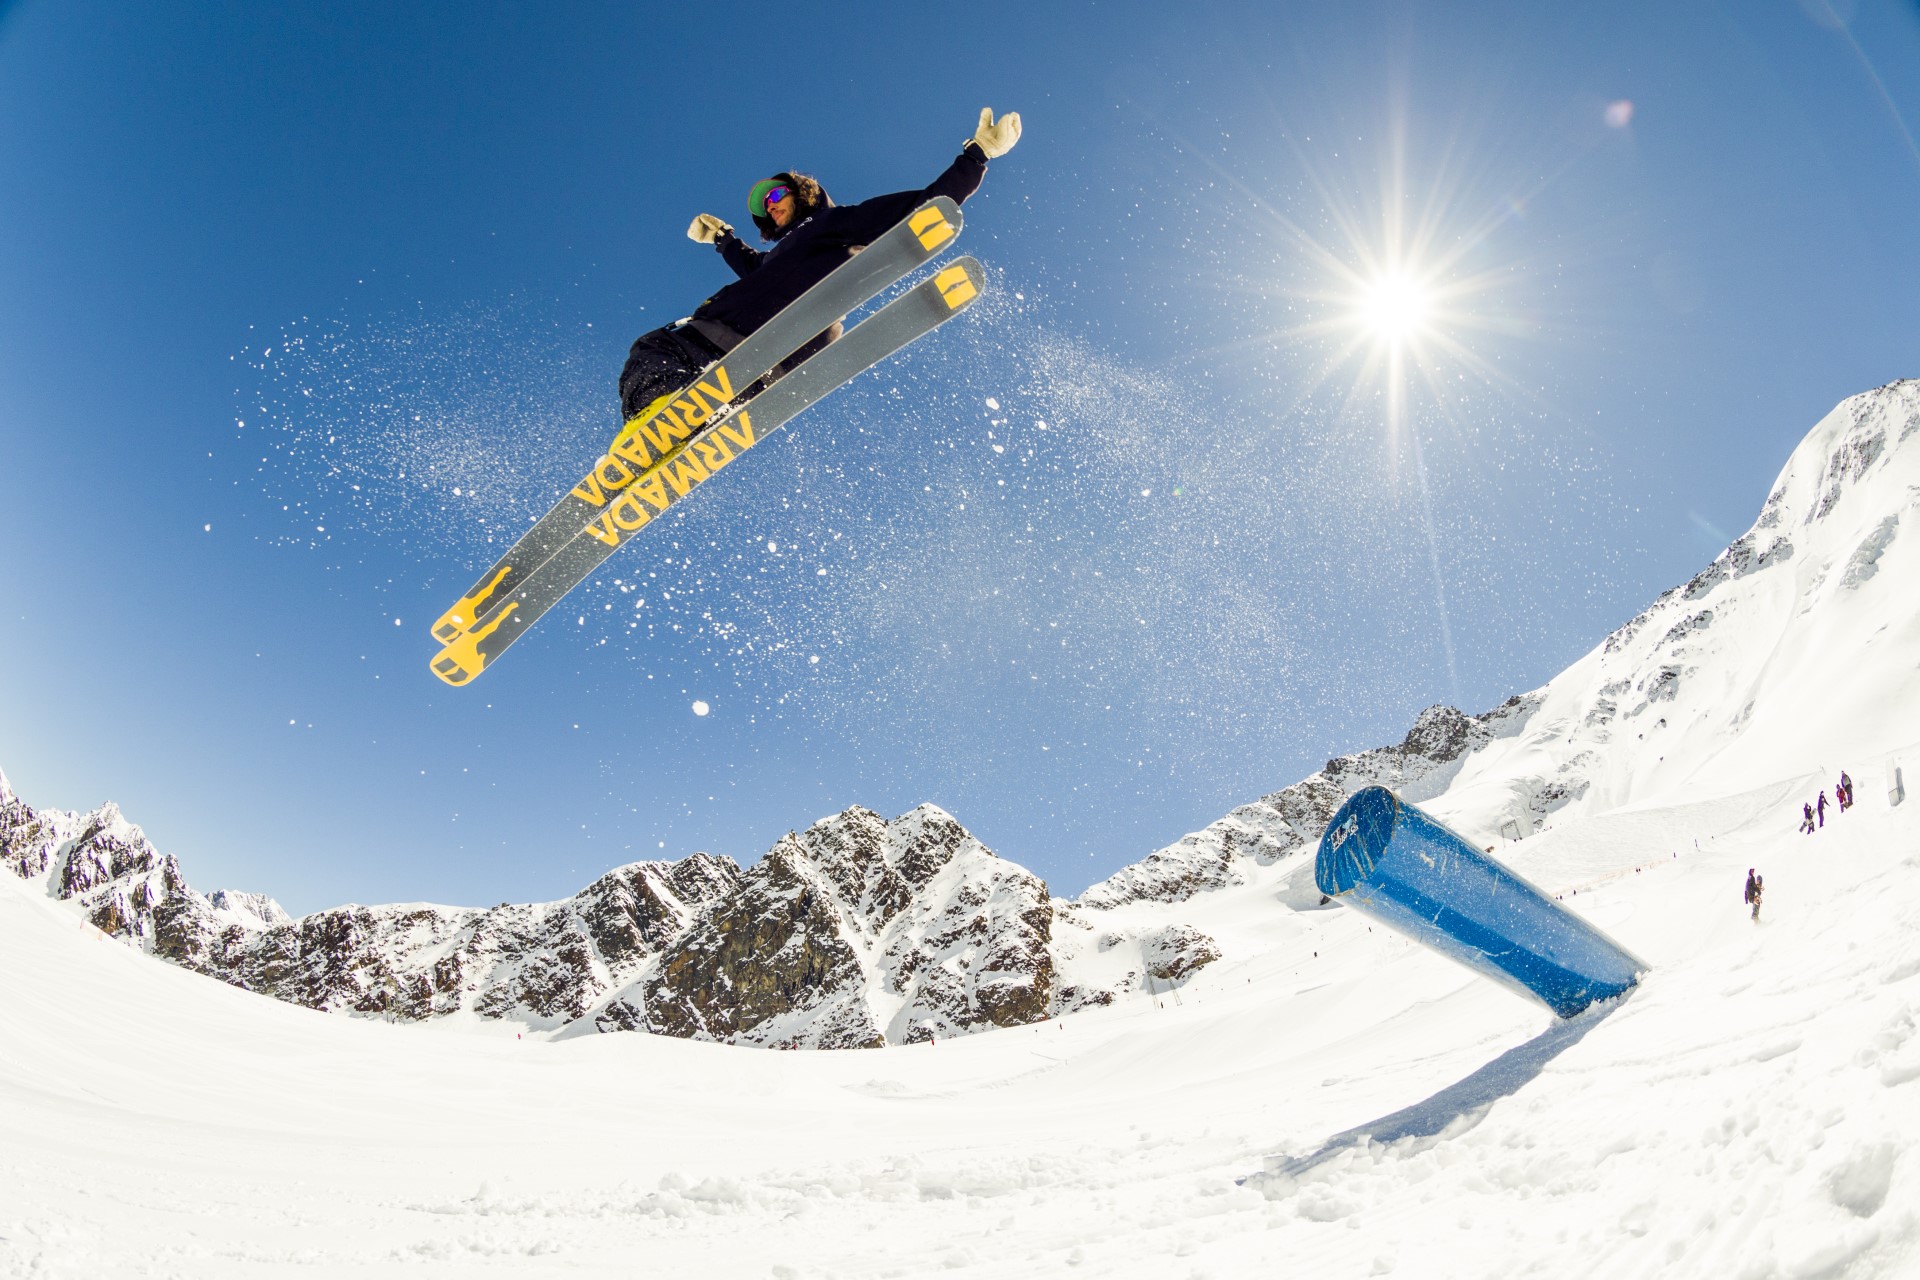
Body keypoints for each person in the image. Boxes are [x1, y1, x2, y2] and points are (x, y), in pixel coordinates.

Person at [615, 107, 1024, 438]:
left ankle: (663, 418)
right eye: (763, 208)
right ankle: (663, 436)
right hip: (735, 358)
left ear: (800, 191)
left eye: (775, 195)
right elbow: (754, 267)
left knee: (652, 350)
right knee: (651, 356)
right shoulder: (782, 256)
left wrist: (977, 154)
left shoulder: (831, 223)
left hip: (730, 338)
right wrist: (722, 238)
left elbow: (922, 205)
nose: (769, 206)